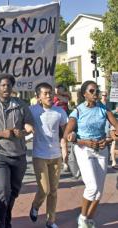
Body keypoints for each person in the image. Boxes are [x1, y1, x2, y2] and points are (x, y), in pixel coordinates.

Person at [0, 73, 34, 228]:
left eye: (9, 85)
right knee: (2, 190)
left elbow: (29, 125)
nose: (6, 88)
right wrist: (1, 133)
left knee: (14, 192)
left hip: (19, 155)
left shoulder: (20, 104)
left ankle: (5, 218)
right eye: (3, 85)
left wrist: (24, 132)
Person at [63, 80, 118, 228]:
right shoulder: (78, 111)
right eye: (92, 91)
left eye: (97, 90)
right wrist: (81, 140)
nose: (96, 94)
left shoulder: (103, 108)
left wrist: (111, 137)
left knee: (99, 191)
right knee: (92, 187)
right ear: (84, 94)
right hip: (83, 150)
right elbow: (67, 134)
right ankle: (82, 217)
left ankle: (89, 218)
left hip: (101, 150)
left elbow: (116, 127)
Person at [28, 83, 68, 228]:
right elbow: (23, 122)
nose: (49, 95)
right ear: (38, 97)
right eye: (45, 93)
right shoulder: (32, 110)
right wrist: (27, 126)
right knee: (44, 189)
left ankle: (50, 221)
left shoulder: (60, 112)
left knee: (53, 190)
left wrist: (67, 143)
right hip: (39, 155)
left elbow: (66, 130)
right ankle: (35, 206)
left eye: (50, 93)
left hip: (56, 155)